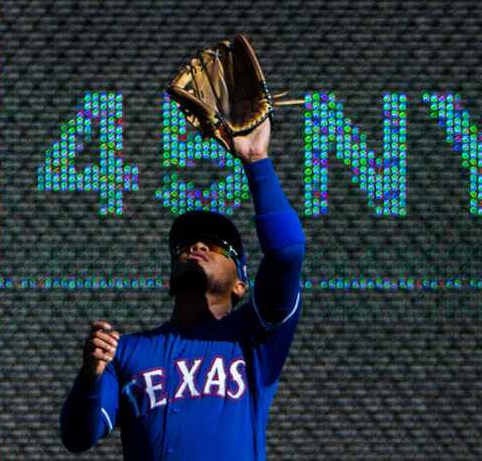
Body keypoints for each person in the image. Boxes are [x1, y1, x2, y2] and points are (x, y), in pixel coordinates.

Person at [59, 116, 305, 460]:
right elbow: (78, 436)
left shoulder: (256, 338)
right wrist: (89, 378)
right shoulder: (126, 351)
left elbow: (288, 251)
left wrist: (256, 160)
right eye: (185, 243)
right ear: (170, 278)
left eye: (218, 244)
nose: (198, 246)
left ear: (240, 284)